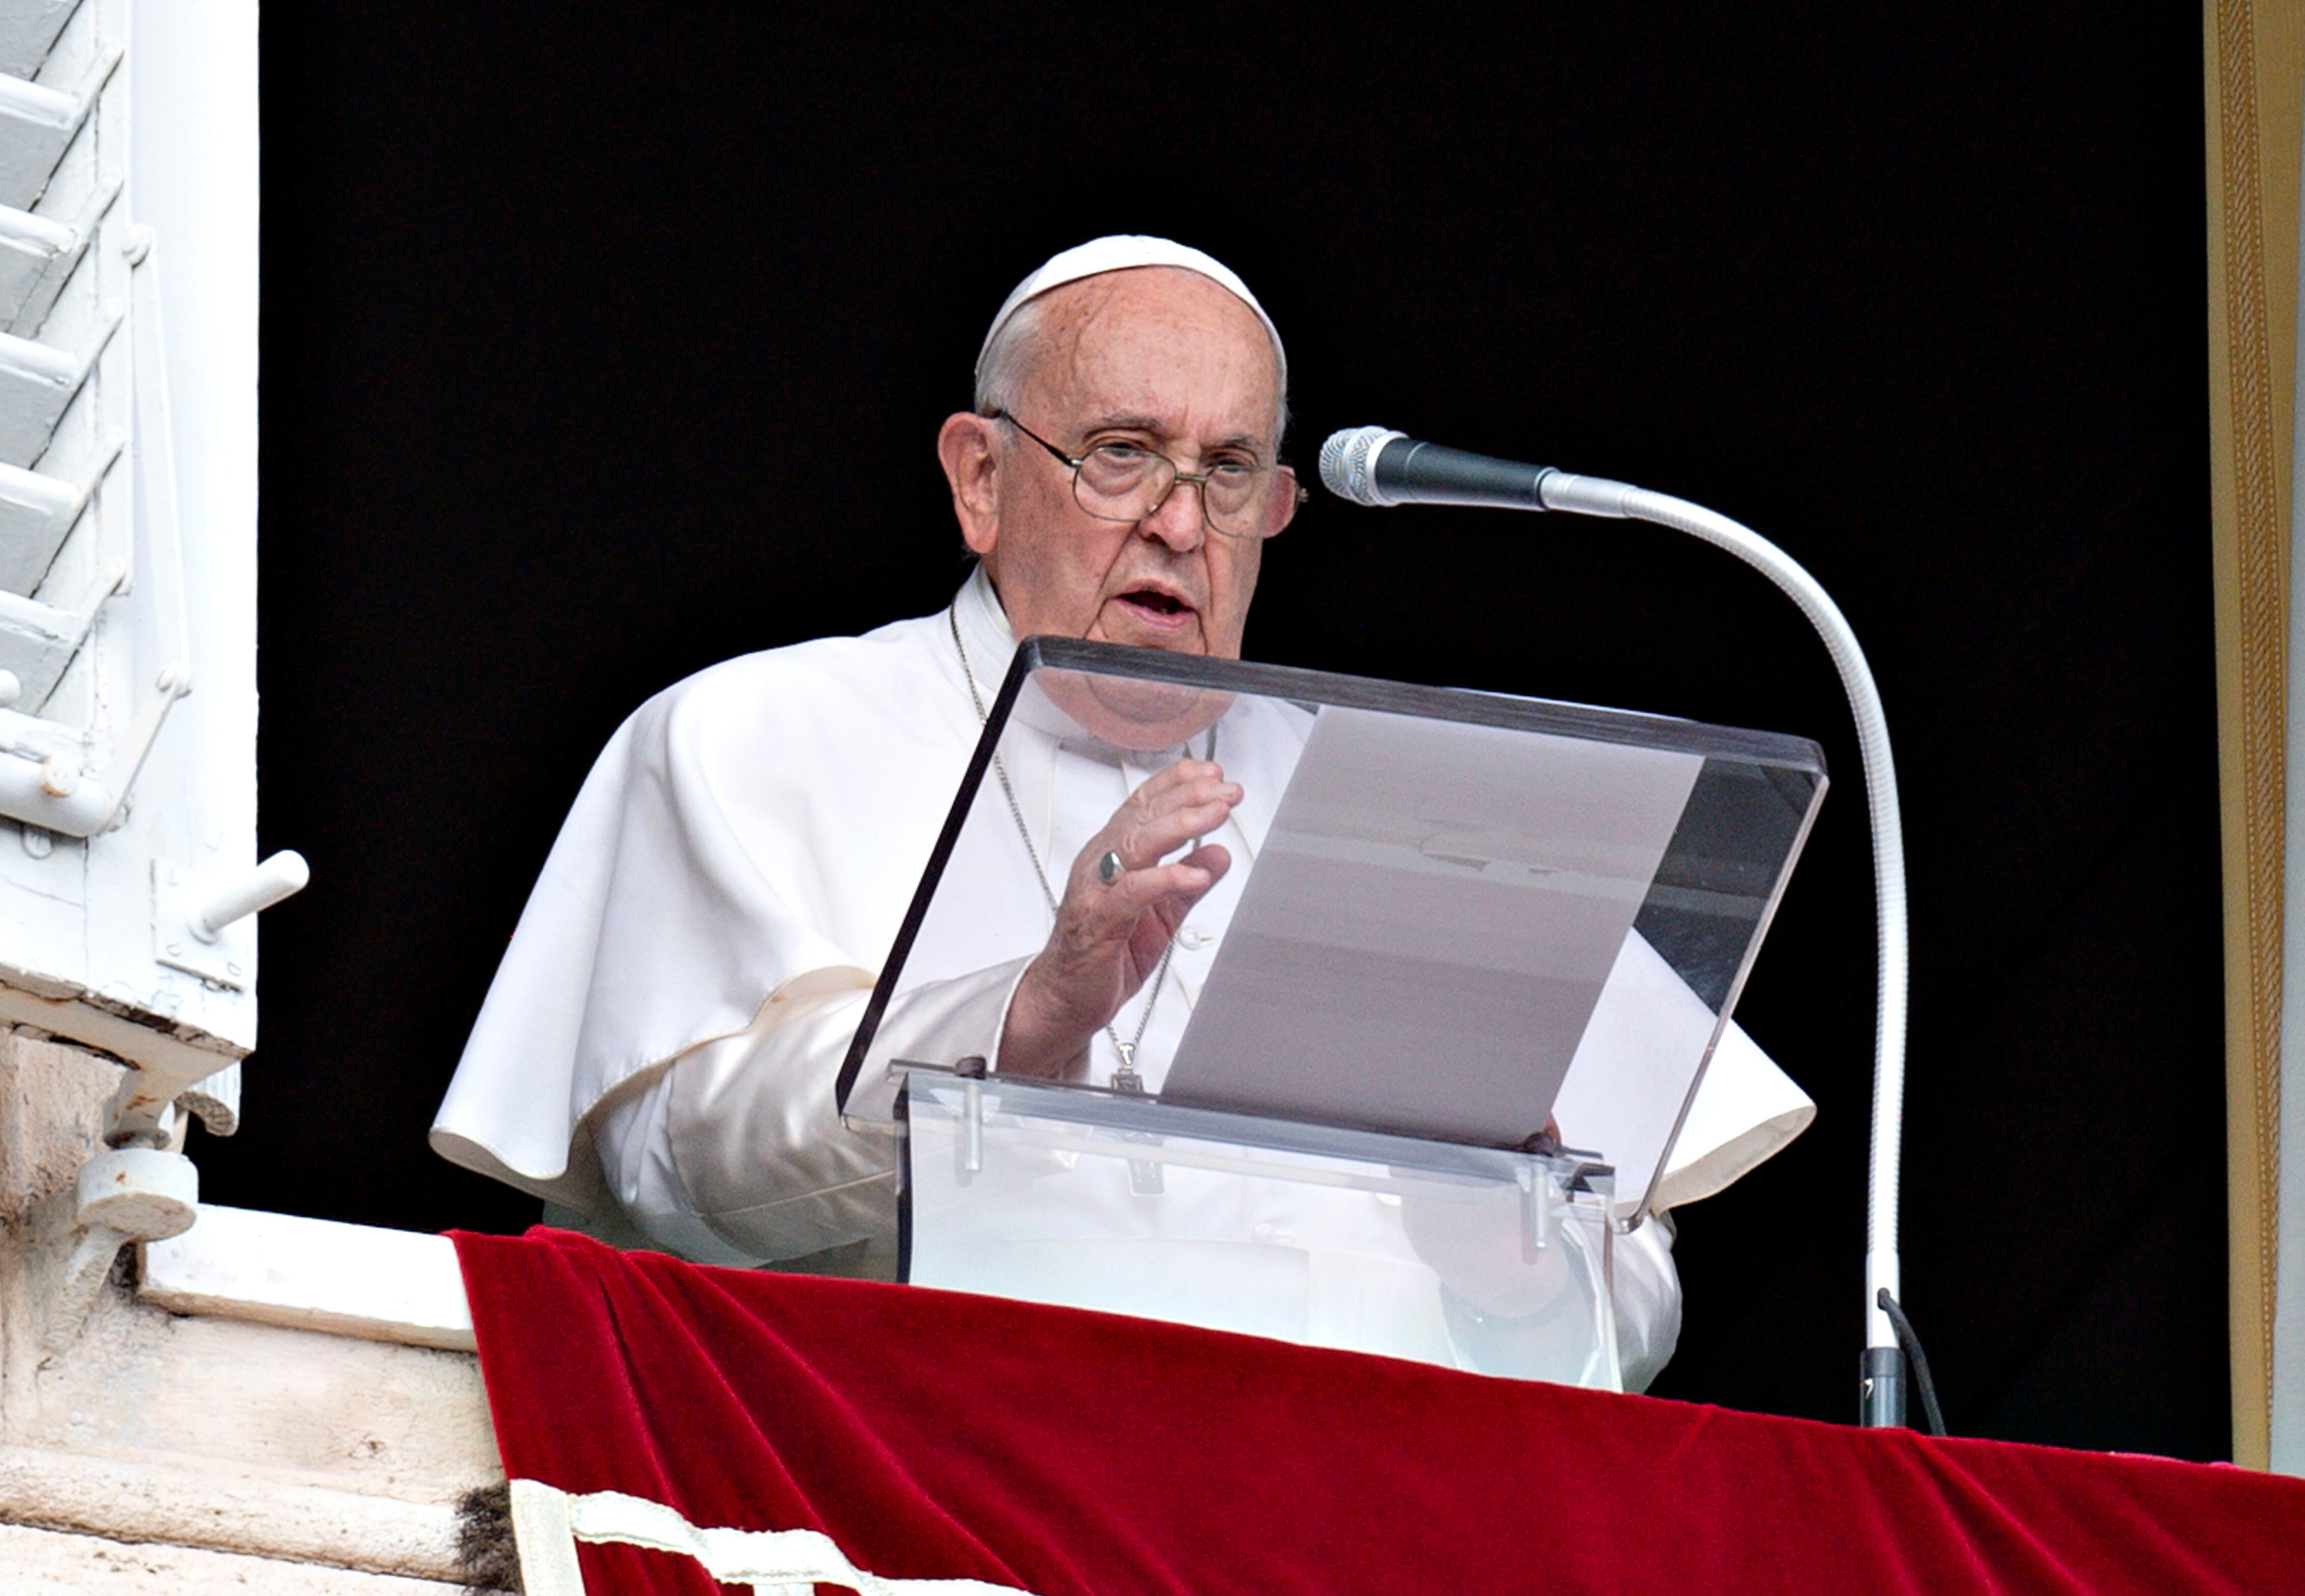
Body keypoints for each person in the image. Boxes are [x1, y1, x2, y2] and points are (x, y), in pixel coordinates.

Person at [431, 236, 1813, 1390]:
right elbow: (665, 1176)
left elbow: (1629, 1305)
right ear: (980, 478)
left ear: (1276, 509)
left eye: (1226, 471)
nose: (1176, 521)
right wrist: (1016, 1028)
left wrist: (1514, 1274)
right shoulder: (750, 733)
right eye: (1118, 452)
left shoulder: (1430, 814)